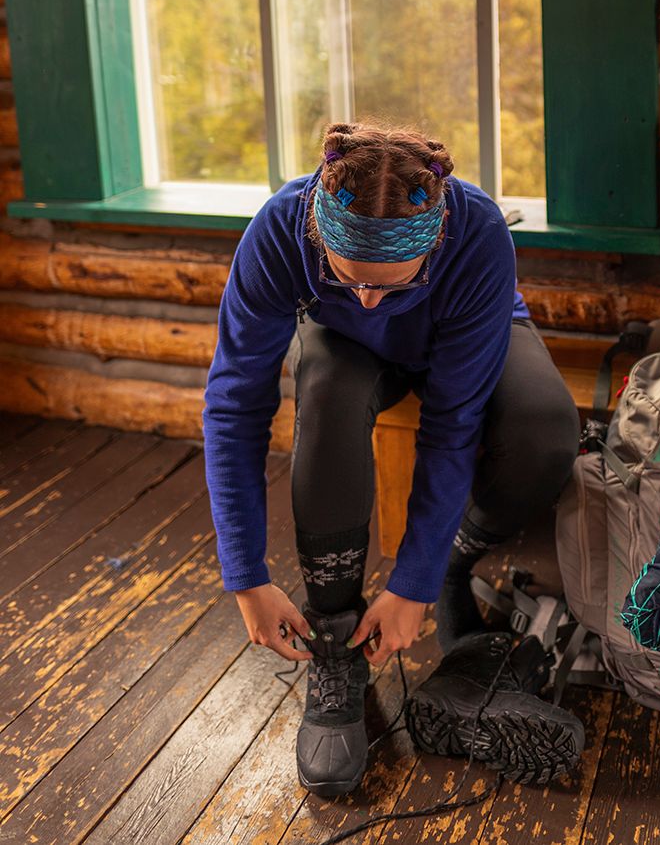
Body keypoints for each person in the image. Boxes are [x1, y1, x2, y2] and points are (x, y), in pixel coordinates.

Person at [201, 120, 580, 797]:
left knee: (546, 432)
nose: (371, 301)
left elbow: (451, 425)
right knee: (326, 393)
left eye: (391, 285)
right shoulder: (281, 229)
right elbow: (234, 406)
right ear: (319, 233)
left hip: (463, 330)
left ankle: (454, 562)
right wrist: (245, 576)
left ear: (434, 242)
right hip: (344, 347)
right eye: (349, 279)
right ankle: (336, 641)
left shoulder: (477, 233)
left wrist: (415, 579)